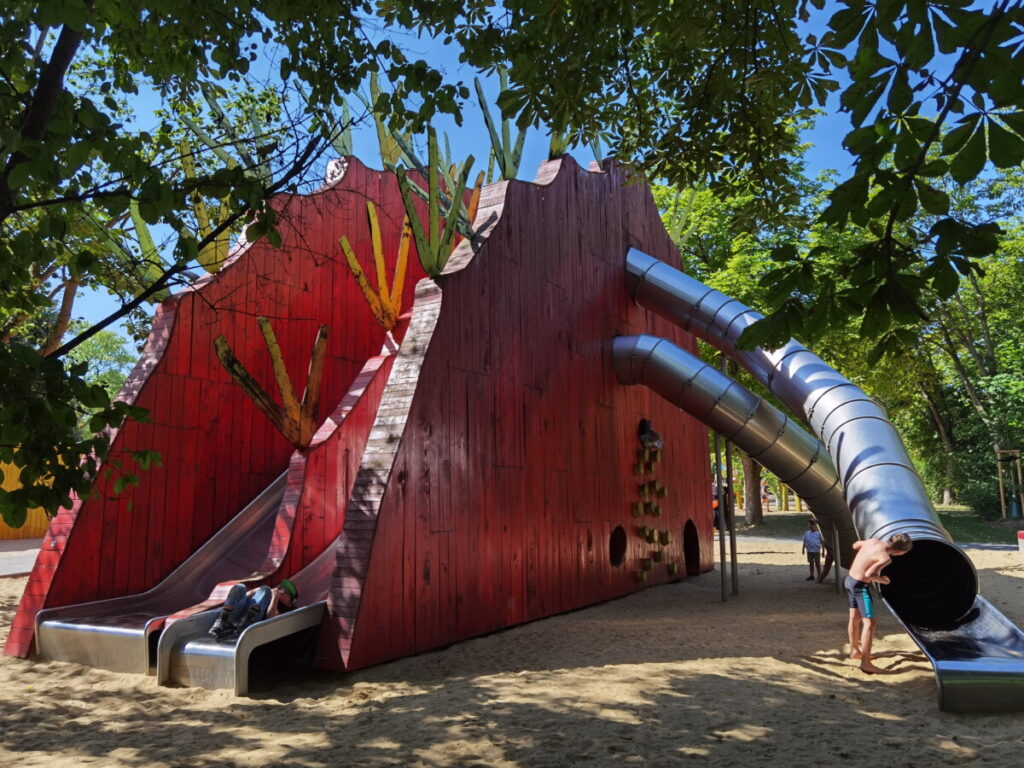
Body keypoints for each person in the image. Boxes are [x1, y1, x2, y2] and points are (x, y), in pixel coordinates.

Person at [845, 534, 913, 673]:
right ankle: (866, 663)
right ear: (899, 552)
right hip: (860, 587)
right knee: (870, 623)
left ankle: (854, 651)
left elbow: (856, 545)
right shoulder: (885, 558)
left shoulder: (873, 541)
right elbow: (869, 574)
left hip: (850, 580)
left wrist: (866, 555)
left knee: (854, 618)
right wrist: (884, 580)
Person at [208, 578, 298, 642]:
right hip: (236, 616)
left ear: (290, 603)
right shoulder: (266, 595)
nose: (282, 591)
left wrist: (275, 597)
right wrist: (260, 590)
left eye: (286, 592)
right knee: (240, 587)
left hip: (250, 622)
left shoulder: (283, 611)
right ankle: (222, 620)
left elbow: (271, 617)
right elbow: (244, 597)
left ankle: (245, 622)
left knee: (265, 589)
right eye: (281, 588)